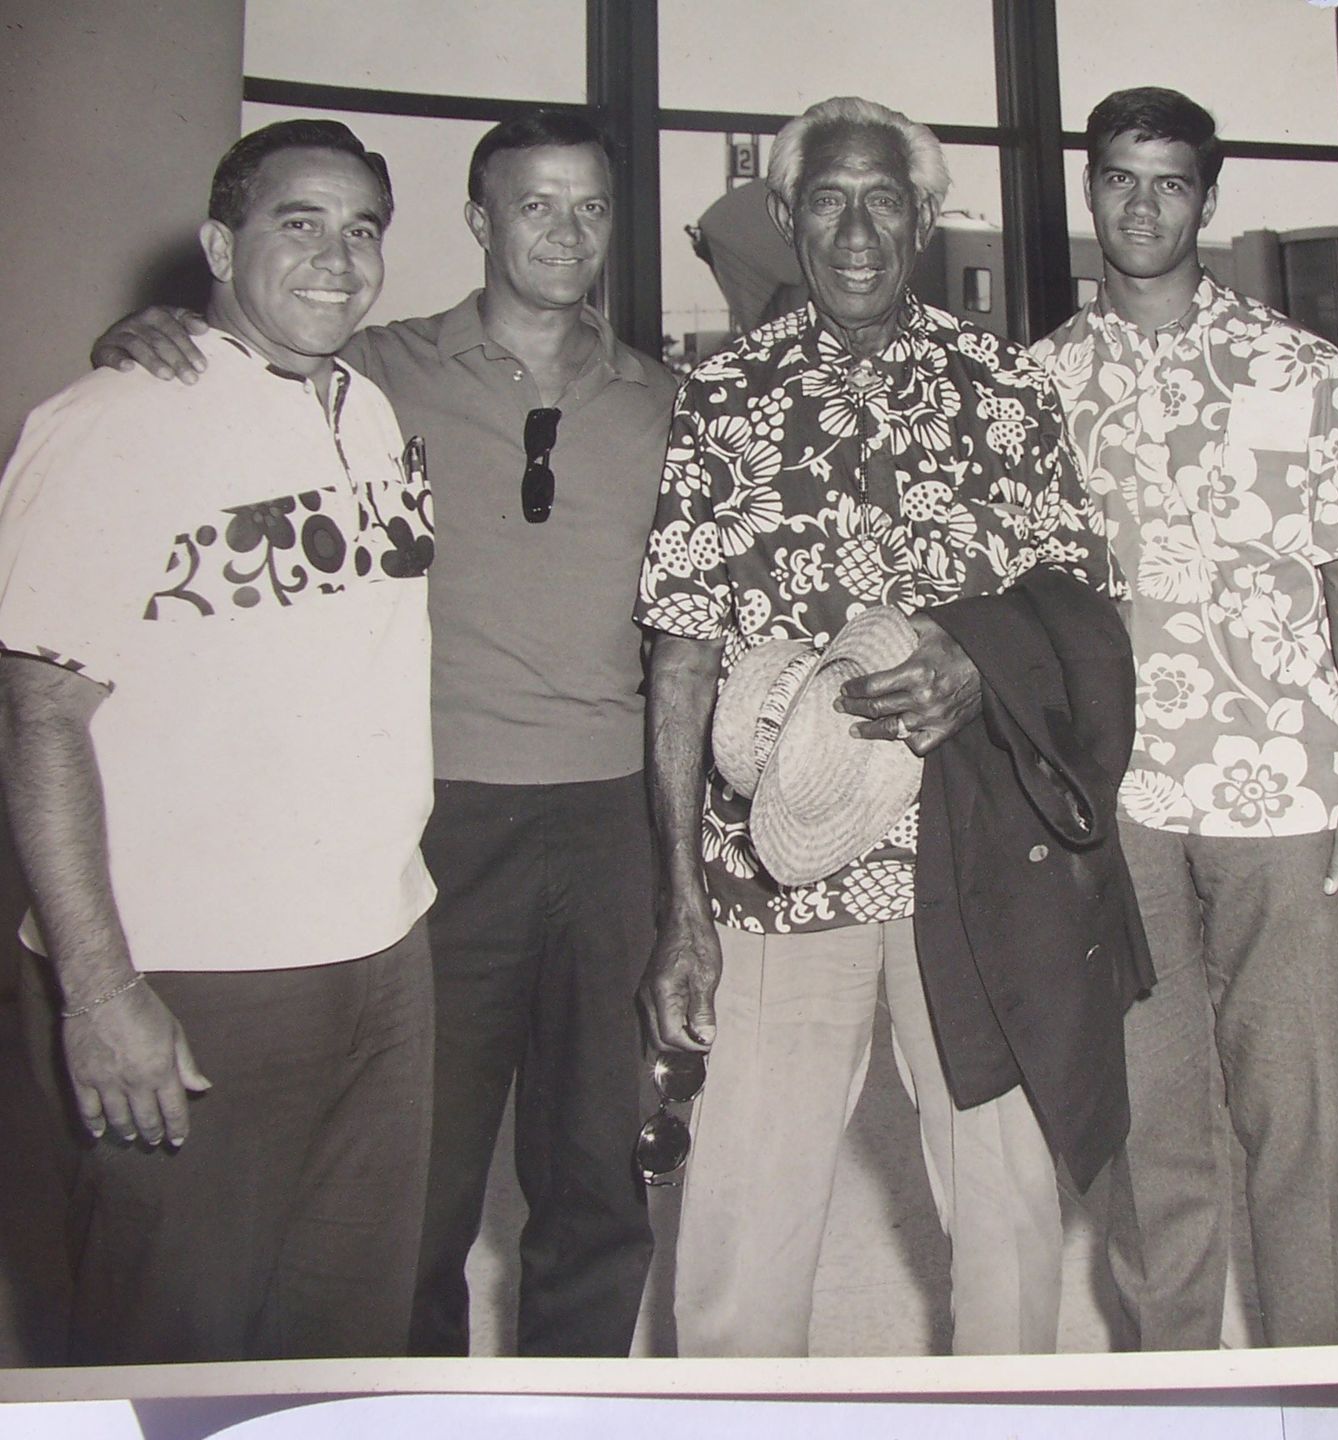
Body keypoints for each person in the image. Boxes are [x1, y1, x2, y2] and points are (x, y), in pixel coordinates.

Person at [93, 111, 674, 1358]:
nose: (564, 233)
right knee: (412, 1191)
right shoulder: (380, 372)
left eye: (589, 208)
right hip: (433, 820)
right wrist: (148, 337)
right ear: (479, 222)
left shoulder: (661, 400)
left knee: (595, 1176)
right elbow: (234, 364)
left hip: (607, 819)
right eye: (533, 204)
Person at [635, 95, 1114, 1358]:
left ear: (926, 214)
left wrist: (977, 658)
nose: (857, 229)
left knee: (1007, 1207)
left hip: (971, 858)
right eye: (829, 200)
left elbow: (1078, 597)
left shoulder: (1001, 382)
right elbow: (682, 657)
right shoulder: (722, 395)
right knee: (740, 1224)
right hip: (773, 871)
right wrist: (681, 898)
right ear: (787, 218)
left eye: (884, 197)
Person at [0, 119, 434, 1363]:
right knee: (174, 1342)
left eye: (362, 230)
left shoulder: (370, 403)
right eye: (298, 223)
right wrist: (101, 992)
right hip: (194, 977)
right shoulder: (109, 419)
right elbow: (38, 714)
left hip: (381, 951)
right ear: (217, 244)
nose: (337, 259)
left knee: (340, 1340)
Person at [1028, 87, 1338, 1349]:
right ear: (1089, 193)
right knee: (1151, 1127)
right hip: (1123, 804)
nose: (1144, 206)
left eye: (1172, 182)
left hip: (1291, 794)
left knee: (1299, 1118)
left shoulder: (1298, 368)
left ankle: (1331, 1386)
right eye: (1121, 180)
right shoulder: (1038, 385)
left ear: (1210, 198)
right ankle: (1172, 1385)